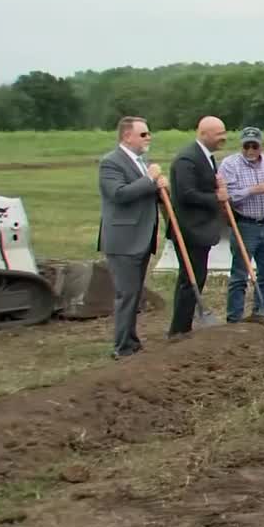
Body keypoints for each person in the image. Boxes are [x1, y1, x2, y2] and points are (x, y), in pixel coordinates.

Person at [97, 116, 168, 359]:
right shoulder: (110, 163)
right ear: (127, 136)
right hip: (123, 239)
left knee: (135, 293)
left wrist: (160, 187)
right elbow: (119, 194)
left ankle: (132, 341)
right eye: (144, 134)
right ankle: (122, 347)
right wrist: (149, 179)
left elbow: (146, 195)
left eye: (148, 134)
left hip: (142, 238)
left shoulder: (141, 162)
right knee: (126, 294)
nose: (149, 138)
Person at [166, 115, 229, 338]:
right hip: (189, 230)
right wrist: (217, 197)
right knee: (189, 279)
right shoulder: (187, 159)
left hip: (202, 229)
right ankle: (178, 329)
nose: (224, 137)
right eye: (219, 133)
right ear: (203, 133)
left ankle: (186, 326)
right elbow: (186, 194)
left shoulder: (206, 157)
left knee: (198, 277)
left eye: (224, 132)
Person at [217, 126, 264, 322]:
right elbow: (228, 196)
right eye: (246, 146)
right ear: (241, 145)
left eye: (254, 146)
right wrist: (254, 189)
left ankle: (261, 311)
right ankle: (234, 318)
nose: (250, 150)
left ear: (262, 146)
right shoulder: (230, 164)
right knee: (240, 275)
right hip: (245, 225)